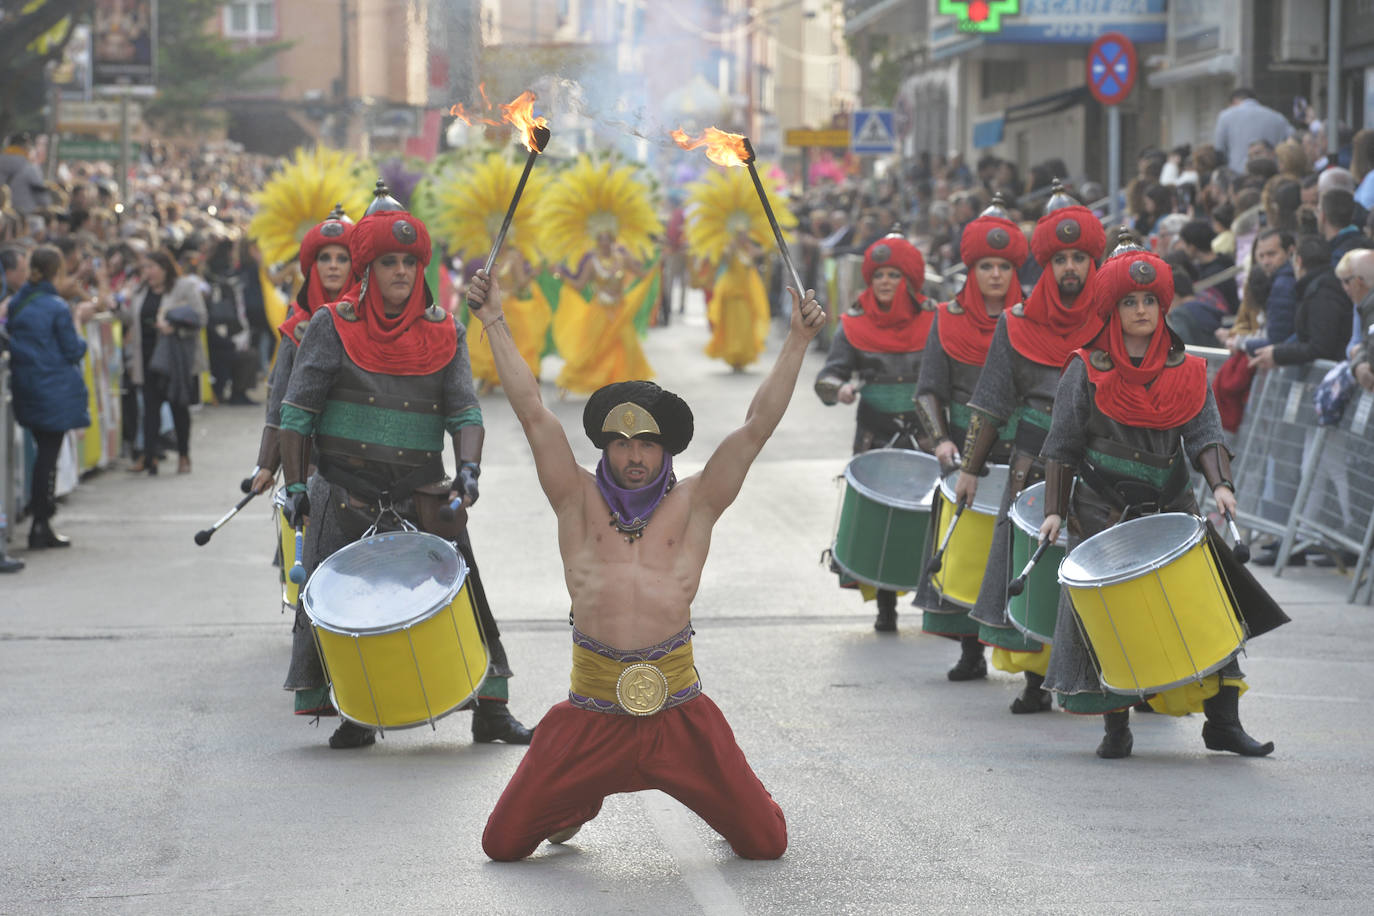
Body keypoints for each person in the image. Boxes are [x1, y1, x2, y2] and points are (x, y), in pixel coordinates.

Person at [471, 265, 823, 862]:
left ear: (665, 451)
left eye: (647, 444)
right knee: (501, 845)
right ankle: (578, 797)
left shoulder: (696, 503)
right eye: (621, 443)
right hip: (591, 712)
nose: (634, 457)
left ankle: (600, 793)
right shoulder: (576, 500)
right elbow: (532, 411)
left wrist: (797, 340)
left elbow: (756, 426)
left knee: (766, 844)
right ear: (605, 448)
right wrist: (494, 319)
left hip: (680, 713)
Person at [276, 183, 533, 749]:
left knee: (466, 597)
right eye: (388, 262)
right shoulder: (330, 324)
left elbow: (465, 411)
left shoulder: (446, 330)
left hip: (420, 490)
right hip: (343, 491)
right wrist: (296, 485)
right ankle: (355, 711)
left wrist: (469, 471)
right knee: (345, 607)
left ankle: (490, 709)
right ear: (368, 269)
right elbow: (297, 414)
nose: (399, 272)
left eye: (408, 262)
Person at [1038, 241, 1289, 758]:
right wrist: (1054, 513)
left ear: (1163, 306)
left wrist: (1220, 485)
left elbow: (1205, 433)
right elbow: (1061, 446)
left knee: (1210, 609)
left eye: (1149, 301)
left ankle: (1223, 722)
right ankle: (1116, 727)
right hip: (1099, 512)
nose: (1141, 311)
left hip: (1172, 507)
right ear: (1113, 308)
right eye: (1130, 302)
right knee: (1109, 620)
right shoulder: (1084, 368)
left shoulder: (1188, 368)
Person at [960, 186, 1106, 712]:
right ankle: (1033, 677)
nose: (1070, 267)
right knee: (1034, 567)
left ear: (1094, 262)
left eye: (1080, 258)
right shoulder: (1015, 322)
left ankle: (1106, 675)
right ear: (1047, 263)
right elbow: (993, 403)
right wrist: (970, 468)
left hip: (1095, 467)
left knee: (1091, 569)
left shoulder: (1114, 319)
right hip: (1029, 465)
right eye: (1060, 258)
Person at [913, 198, 1026, 679]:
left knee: (1014, 557)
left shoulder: (1033, 321)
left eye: (1003, 266)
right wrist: (941, 441)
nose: (996, 275)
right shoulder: (945, 317)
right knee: (962, 553)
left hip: (1022, 451)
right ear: (971, 270)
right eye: (986, 266)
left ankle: (1025, 656)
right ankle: (968, 649)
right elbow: (928, 389)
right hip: (963, 448)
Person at [815, 232, 935, 631]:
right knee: (883, 519)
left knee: (932, 518)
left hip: (927, 434)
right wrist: (841, 388)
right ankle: (885, 603)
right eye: (879, 274)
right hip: (876, 433)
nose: (885, 282)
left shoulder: (935, 320)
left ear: (909, 280)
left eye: (894, 275)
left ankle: (937, 602)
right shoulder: (853, 324)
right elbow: (827, 377)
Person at [247, 207, 353, 498]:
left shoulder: (372, 321)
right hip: (308, 464)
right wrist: (267, 464)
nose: (333, 266)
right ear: (313, 265)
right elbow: (280, 392)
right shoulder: (296, 324)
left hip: (362, 466)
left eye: (342, 258)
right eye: (325, 258)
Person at [545, 157, 662, 394]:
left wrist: (659, 263)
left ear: (613, 238)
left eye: (608, 239)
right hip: (598, 313)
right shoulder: (591, 261)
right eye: (601, 240)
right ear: (596, 240)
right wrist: (560, 274)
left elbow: (641, 273)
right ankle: (569, 381)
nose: (605, 243)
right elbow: (578, 284)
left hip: (619, 310)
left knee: (626, 346)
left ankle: (625, 387)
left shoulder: (623, 257)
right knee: (591, 350)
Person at [5, 245, 91, 548]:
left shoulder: (18, 301)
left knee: (42, 454)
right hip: (53, 386)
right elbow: (73, 350)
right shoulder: (55, 306)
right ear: (57, 271)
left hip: (27, 384)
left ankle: (41, 518)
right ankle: (41, 522)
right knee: (47, 457)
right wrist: (78, 321)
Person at [123, 248, 206, 475]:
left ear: (164, 268)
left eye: (151, 267)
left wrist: (174, 328)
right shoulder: (140, 291)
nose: (148, 273)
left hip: (175, 359)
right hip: (148, 358)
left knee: (179, 408)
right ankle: (149, 456)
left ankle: (183, 455)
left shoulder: (184, 287)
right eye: (145, 268)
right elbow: (129, 319)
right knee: (149, 409)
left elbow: (200, 317)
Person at [1247, 235, 1350, 371]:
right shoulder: (1318, 287)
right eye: (1261, 256)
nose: (1266, 262)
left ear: (1298, 261)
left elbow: (1319, 346)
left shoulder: (1321, 292)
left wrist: (1277, 353)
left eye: (1271, 254)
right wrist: (1277, 351)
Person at [1214, 89, 1295, 174]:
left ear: (1234, 101)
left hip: (1238, 175)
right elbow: (1293, 142)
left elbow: (1220, 151)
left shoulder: (1225, 116)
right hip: (1271, 173)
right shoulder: (1278, 118)